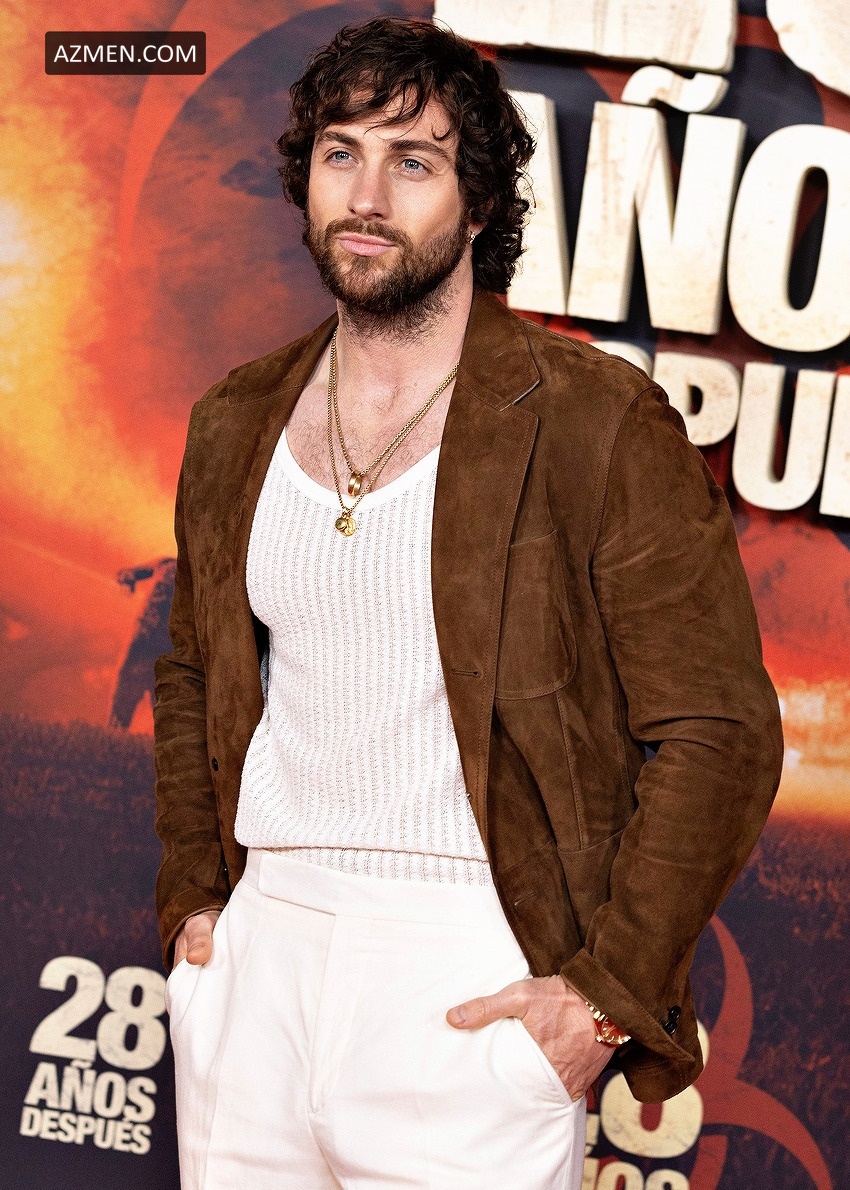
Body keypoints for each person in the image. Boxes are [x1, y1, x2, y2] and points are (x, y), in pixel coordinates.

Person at [154, 17, 783, 1190]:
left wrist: (598, 999)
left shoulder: (595, 419)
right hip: (257, 963)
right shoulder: (236, 417)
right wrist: (196, 902)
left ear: (479, 202)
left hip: (468, 968)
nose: (367, 196)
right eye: (340, 153)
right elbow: (193, 669)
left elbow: (720, 729)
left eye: (414, 160)